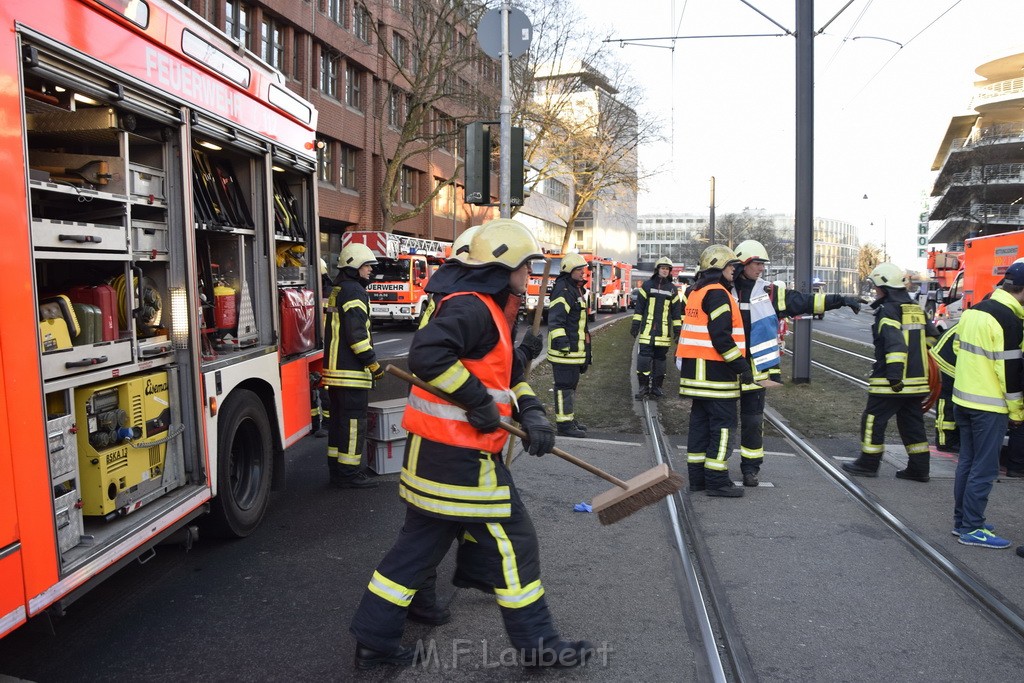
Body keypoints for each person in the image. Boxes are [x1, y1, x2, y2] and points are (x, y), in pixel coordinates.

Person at [349, 219, 593, 670]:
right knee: (516, 545)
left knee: (415, 552)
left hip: (434, 456)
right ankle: (539, 646)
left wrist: (533, 412)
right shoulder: (473, 308)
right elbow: (427, 356)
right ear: (506, 267)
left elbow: (506, 379)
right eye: (525, 266)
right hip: (464, 460)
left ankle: (374, 638)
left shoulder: (486, 309)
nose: (529, 275)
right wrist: (477, 401)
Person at [730, 240, 863, 486]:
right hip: (727, 369)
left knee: (752, 422)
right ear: (742, 263)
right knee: (723, 421)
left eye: (762, 264)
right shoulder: (724, 290)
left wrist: (841, 299)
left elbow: (805, 301)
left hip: (756, 371)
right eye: (757, 263)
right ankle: (717, 466)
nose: (761, 268)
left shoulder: (770, 292)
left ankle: (750, 469)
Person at [949, 261, 1024, 548]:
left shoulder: (976, 310)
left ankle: (963, 521)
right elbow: (1010, 373)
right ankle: (972, 527)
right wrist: (1017, 412)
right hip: (990, 406)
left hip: (963, 399)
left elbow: (957, 348)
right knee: (985, 468)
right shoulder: (1009, 320)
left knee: (967, 462)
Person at [842, 262, 938, 482]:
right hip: (918, 382)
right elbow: (932, 337)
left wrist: (895, 375)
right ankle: (919, 469)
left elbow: (894, 344)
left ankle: (868, 463)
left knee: (873, 420)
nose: (875, 290)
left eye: (876, 286)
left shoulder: (888, 310)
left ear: (884, 287)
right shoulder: (915, 308)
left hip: (892, 382)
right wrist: (916, 354)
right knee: (912, 425)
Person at [677, 245, 751, 498]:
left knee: (699, 427)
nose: (735, 270)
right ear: (718, 267)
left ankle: (698, 479)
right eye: (731, 266)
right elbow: (721, 338)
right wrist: (743, 367)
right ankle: (717, 480)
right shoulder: (719, 294)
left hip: (696, 376)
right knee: (722, 428)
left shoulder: (697, 292)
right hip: (716, 376)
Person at [322, 242, 384, 489]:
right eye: (367, 265)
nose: (370, 270)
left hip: (336, 373)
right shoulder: (355, 292)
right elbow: (356, 334)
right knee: (352, 423)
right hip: (351, 374)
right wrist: (373, 364)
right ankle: (348, 474)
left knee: (338, 422)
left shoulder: (339, 289)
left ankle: (337, 470)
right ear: (354, 266)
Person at [546, 253, 591, 438]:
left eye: (583, 270)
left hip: (573, 352)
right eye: (579, 270)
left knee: (570, 387)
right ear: (569, 270)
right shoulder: (563, 290)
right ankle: (564, 426)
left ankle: (569, 420)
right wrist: (563, 345)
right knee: (564, 387)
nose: (583, 273)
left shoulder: (575, 289)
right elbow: (556, 321)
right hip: (564, 353)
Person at [631, 256, 681, 400]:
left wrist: (677, 330)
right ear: (657, 269)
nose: (665, 271)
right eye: (663, 268)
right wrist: (635, 325)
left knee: (660, 362)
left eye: (667, 269)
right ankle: (643, 388)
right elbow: (639, 308)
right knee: (643, 361)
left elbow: (676, 313)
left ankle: (657, 388)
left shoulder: (672, 290)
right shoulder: (647, 286)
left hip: (663, 333)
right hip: (647, 331)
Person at [928, 325, 960, 454]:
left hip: (950, 359)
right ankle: (944, 441)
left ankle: (953, 438)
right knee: (946, 403)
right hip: (944, 363)